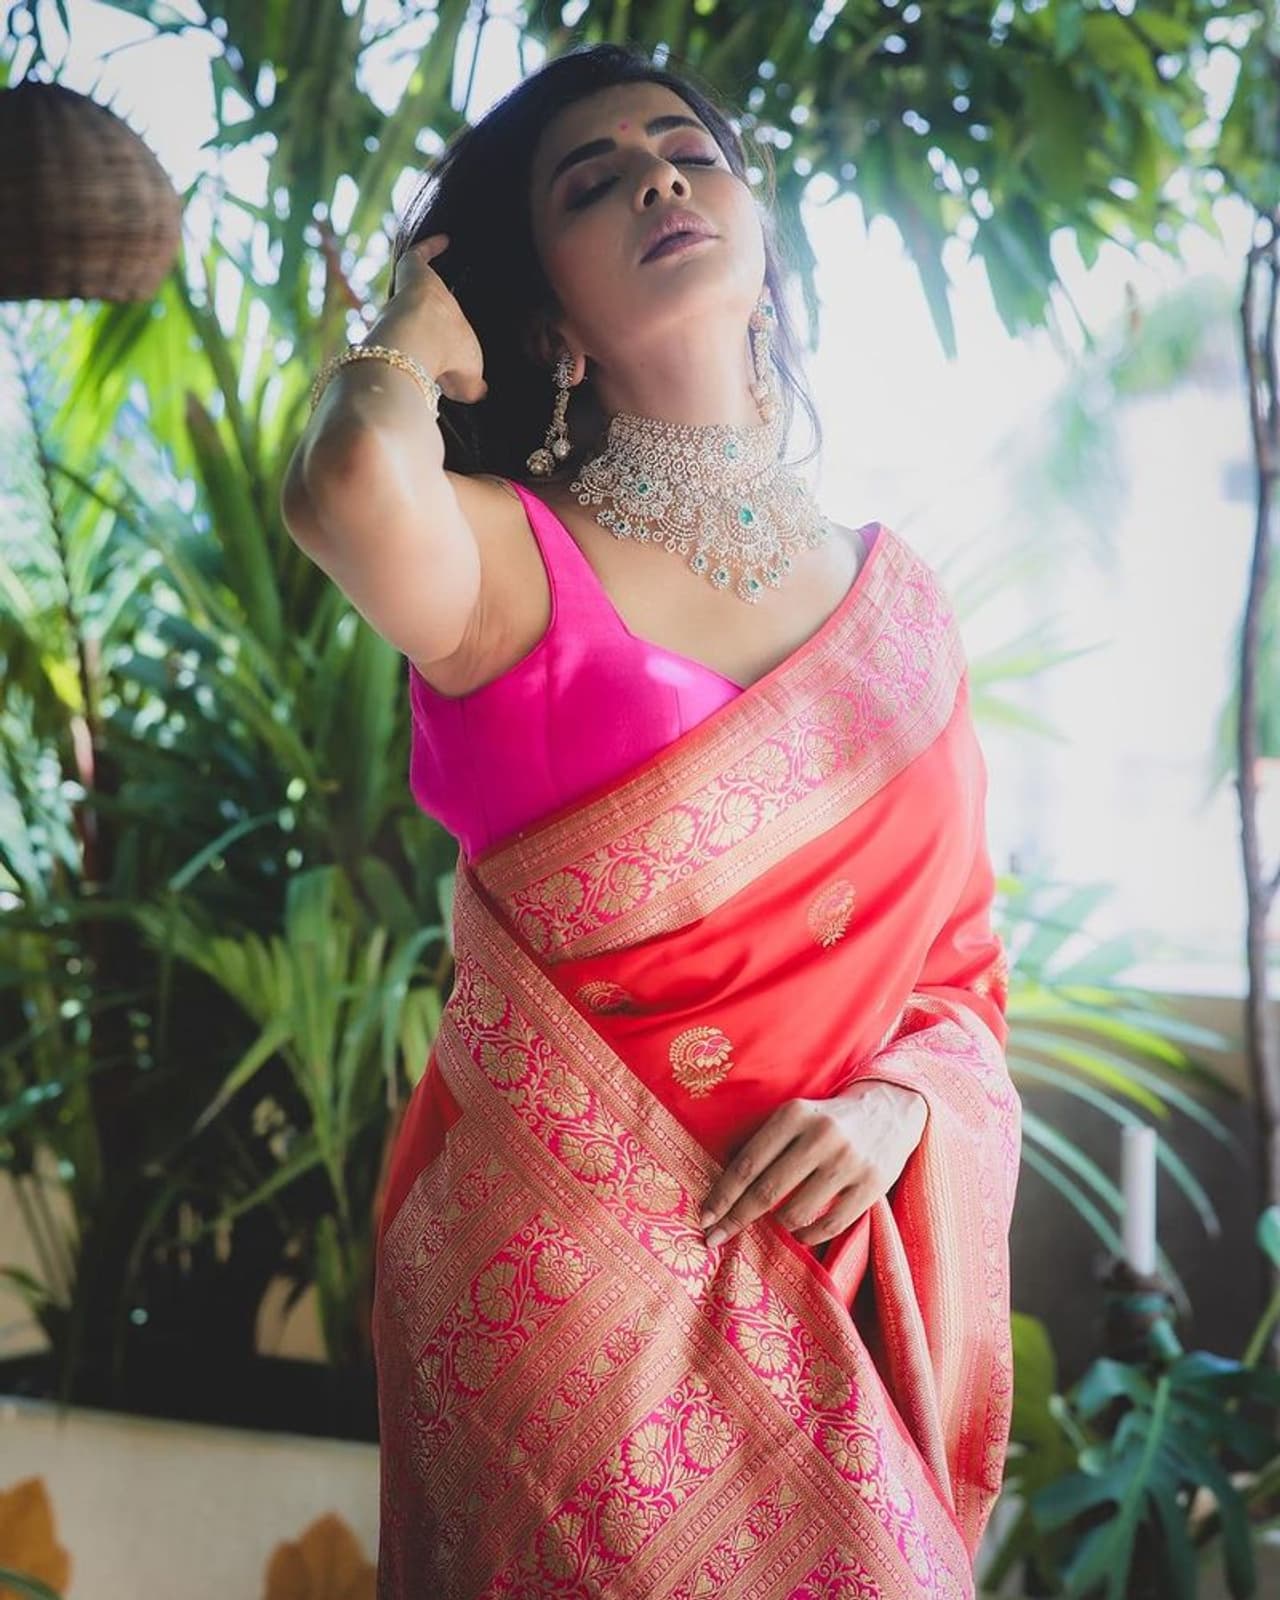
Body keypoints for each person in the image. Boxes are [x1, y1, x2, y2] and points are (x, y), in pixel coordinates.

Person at [282, 40, 1021, 1600]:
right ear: (547, 316)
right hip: (571, 1304)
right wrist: (406, 338)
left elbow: (959, 973)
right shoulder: (507, 559)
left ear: (760, 230)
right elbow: (347, 483)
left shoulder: (898, 611)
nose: (657, 178)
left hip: (829, 1268)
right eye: (591, 180)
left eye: (686, 148)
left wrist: (899, 1111)